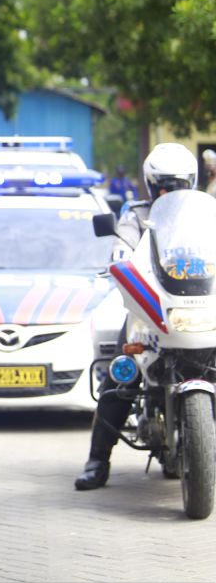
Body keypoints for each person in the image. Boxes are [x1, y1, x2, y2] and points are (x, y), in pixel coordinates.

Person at [75, 142, 199, 490]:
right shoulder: (138, 215)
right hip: (151, 311)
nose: (167, 192)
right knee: (121, 374)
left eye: (176, 185)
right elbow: (123, 248)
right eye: (162, 185)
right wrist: (118, 260)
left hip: (197, 310)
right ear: (150, 184)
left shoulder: (205, 217)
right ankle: (98, 461)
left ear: (190, 183)